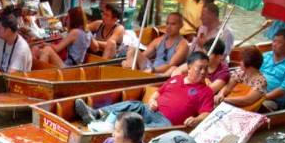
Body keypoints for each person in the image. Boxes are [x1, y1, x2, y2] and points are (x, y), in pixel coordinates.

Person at [74, 52, 214, 128]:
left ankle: (101, 127)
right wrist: (153, 100)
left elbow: (206, 114)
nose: (203, 72)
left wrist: (195, 119)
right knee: (134, 104)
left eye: (206, 68)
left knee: (139, 126)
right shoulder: (175, 79)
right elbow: (157, 93)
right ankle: (97, 113)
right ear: (189, 67)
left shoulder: (206, 91)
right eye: (199, 68)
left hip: (168, 123)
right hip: (152, 110)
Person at [123, 12, 188, 74]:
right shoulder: (159, 40)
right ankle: (131, 75)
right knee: (132, 50)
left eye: (173, 24)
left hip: (165, 74)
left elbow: (170, 65)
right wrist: (129, 61)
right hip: (150, 69)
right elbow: (143, 55)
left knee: (172, 69)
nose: (168, 27)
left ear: (181, 25)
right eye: (167, 23)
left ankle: (132, 77)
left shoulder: (183, 44)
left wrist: (153, 70)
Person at [260, 29, 285, 110]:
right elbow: (254, 72)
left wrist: (262, 97)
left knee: (259, 106)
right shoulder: (265, 56)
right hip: (255, 91)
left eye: (279, 42)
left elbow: (284, 89)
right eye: (274, 41)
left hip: (272, 100)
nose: (274, 44)